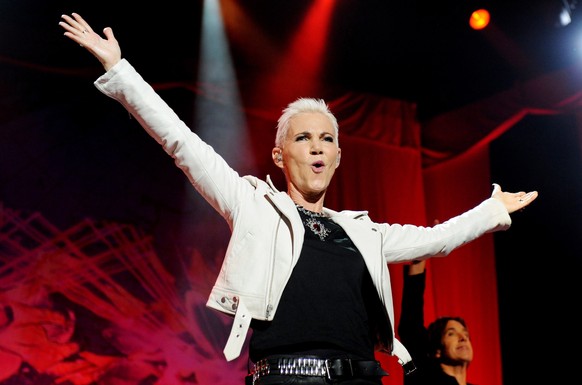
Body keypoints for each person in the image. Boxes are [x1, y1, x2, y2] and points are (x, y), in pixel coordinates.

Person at [58, 12, 538, 385]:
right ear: (279, 154)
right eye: (303, 137)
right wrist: (121, 71)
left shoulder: (363, 231)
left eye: (327, 139)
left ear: (337, 157)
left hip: (362, 378)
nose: (316, 146)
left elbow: (434, 239)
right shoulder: (252, 205)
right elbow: (182, 142)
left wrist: (491, 212)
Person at [398, 259, 474, 385]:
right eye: (451, 333)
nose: (463, 338)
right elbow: (411, 324)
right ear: (437, 350)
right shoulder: (423, 376)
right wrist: (421, 252)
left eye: (466, 334)